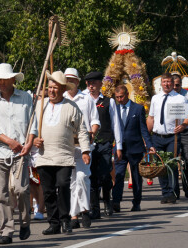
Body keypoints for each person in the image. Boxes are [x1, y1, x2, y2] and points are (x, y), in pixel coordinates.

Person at [29, 71, 90, 235]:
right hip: (44, 156)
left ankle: (65, 220)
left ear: (63, 89)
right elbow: (31, 129)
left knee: (63, 185)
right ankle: (54, 223)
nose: (52, 91)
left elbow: (82, 131)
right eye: (49, 87)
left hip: (64, 156)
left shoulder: (71, 107)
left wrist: (85, 150)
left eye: (55, 88)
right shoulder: (41, 105)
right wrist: (34, 140)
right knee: (48, 190)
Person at [0, 63, 33, 245]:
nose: (2, 82)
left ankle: (25, 222)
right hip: (0, 151)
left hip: (21, 152)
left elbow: (32, 122)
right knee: (1, 193)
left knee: (21, 190)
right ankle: (6, 230)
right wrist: (9, 141)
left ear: (13, 79)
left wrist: (28, 143)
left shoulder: (25, 97)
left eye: (5, 79)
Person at [62, 68, 99, 229]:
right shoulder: (60, 99)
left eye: (72, 79)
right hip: (65, 146)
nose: (70, 82)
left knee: (83, 177)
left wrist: (92, 134)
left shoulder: (87, 99)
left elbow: (95, 121)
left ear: (78, 81)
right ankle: (74, 215)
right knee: (71, 182)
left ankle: (84, 210)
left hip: (83, 146)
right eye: (67, 79)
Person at [147, 73, 188, 203]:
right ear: (161, 83)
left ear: (173, 83)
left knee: (170, 164)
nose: (166, 84)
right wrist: (146, 137)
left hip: (173, 137)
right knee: (160, 165)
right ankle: (165, 192)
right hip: (157, 136)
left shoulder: (179, 98)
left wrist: (183, 125)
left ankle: (172, 192)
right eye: (164, 82)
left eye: (169, 82)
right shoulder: (155, 98)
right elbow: (151, 117)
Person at [84, 71, 122, 219]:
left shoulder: (108, 101)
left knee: (106, 174)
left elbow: (116, 124)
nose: (91, 86)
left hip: (105, 142)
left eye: (94, 83)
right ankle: (95, 209)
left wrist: (118, 146)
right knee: (92, 176)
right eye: (88, 84)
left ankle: (107, 201)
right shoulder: (84, 100)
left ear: (100, 84)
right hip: (89, 143)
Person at [112, 85, 153, 212]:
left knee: (136, 176)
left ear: (127, 94)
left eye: (121, 96)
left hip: (135, 148)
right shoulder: (115, 109)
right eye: (117, 97)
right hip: (120, 148)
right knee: (118, 175)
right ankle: (116, 202)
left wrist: (149, 145)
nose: (119, 99)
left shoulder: (138, 108)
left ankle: (136, 202)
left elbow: (143, 129)